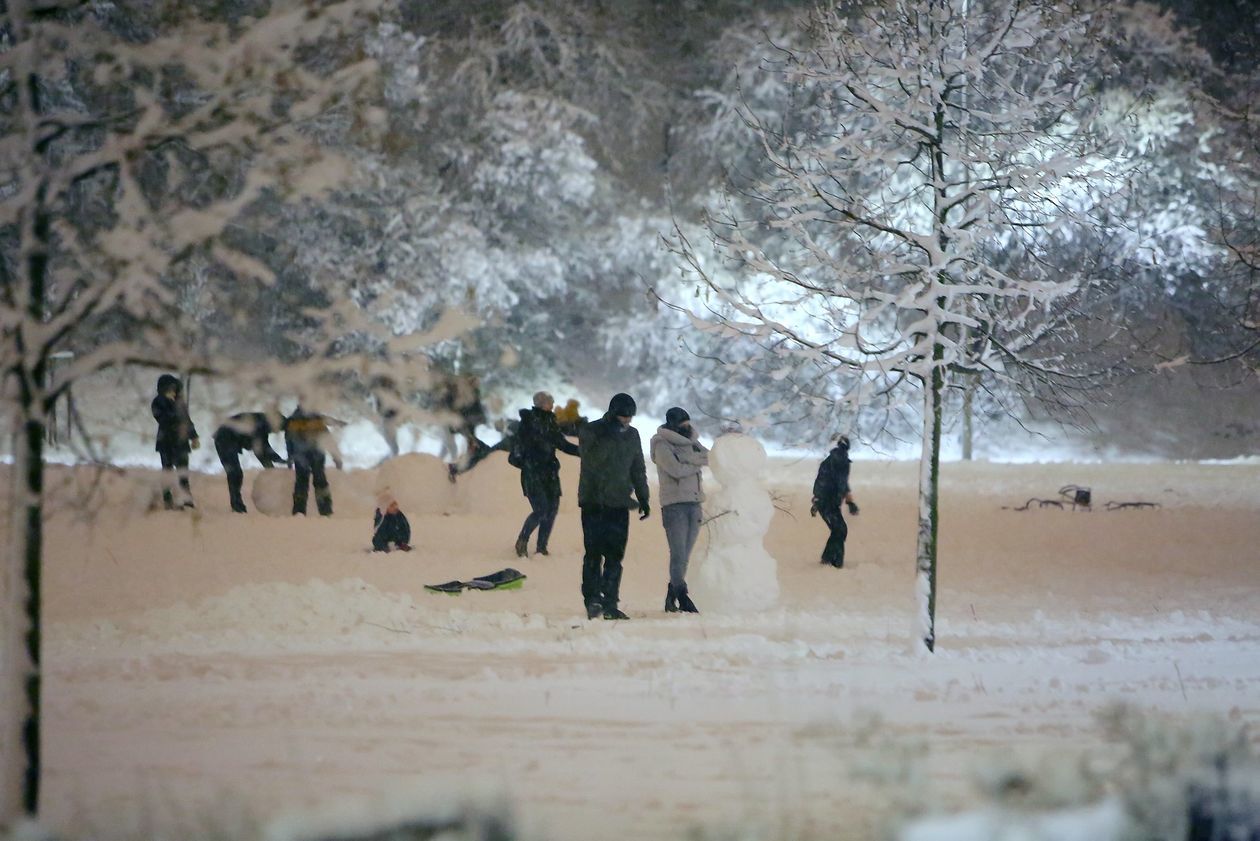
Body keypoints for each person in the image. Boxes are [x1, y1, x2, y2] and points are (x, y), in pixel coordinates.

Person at [577, 392, 650, 620]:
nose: (627, 421)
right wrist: (610, 437)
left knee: (615, 557)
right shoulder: (591, 431)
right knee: (593, 554)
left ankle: (610, 603)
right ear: (612, 414)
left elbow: (638, 467)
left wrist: (643, 496)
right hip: (594, 502)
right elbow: (592, 461)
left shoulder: (633, 435)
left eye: (630, 417)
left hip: (619, 503)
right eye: (623, 417)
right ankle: (592, 600)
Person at [650, 407, 708, 613]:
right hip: (674, 505)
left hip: (694, 502)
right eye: (682, 423)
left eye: (687, 422)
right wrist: (696, 464)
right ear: (673, 424)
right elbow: (675, 470)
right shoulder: (661, 444)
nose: (686, 426)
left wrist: (690, 461)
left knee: (686, 554)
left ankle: (671, 595)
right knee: (678, 554)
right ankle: (682, 596)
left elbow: (708, 457)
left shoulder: (692, 441)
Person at [513, 391, 581, 558]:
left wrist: (583, 451)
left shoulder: (550, 421)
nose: (552, 403)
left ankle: (541, 547)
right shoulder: (529, 422)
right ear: (541, 403)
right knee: (541, 509)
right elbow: (519, 446)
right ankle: (522, 540)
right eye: (549, 401)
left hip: (549, 473)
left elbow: (562, 444)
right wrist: (530, 460)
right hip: (533, 473)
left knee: (552, 509)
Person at [212, 410, 287, 513]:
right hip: (224, 439)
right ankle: (237, 506)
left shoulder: (262, 421)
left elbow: (261, 450)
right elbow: (262, 450)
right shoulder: (262, 424)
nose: (276, 432)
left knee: (235, 473)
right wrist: (278, 462)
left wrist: (273, 468)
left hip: (227, 438)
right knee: (235, 473)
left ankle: (237, 505)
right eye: (278, 429)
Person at [284, 405, 343, 517]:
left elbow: (288, 441)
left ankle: (299, 511)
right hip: (317, 455)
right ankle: (325, 511)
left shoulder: (292, 420)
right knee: (320, 482)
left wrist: (290, 458)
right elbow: (327, 439)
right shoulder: (317, 419)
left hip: (300, 457)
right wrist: (336, 457)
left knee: (301, 483)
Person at [811, 434, 860, 568]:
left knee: (839, 530)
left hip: (830, 503)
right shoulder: (834, 462)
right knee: (840, 529)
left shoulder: (842, 462)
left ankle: (828, 559)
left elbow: (842, 484)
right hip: (826, 502)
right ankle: (834, 561)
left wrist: (850, 502)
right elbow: (822, 483)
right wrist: (818, 500)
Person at [151, 373, 199, 510]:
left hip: (181, 443)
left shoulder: (179, 403)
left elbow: (186, 421)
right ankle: (168, 499)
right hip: (166, 442)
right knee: (167, 471)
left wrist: (194, 436)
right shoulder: (158, 402)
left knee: (183, 472)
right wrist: (172, 405)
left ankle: (186, 499)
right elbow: (164, 419)